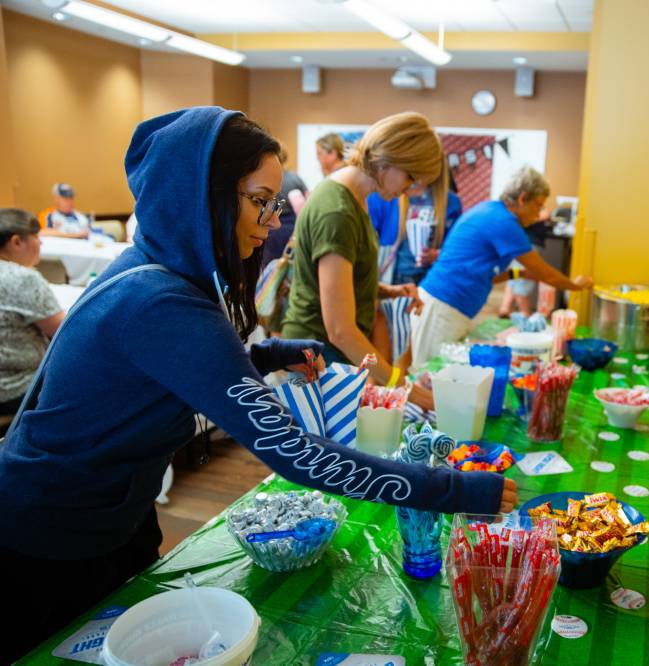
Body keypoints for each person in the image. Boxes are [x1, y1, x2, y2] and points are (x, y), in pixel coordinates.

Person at [0, 107, 516, 663]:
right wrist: (453, 490)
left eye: (275, 203)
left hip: (112, 514)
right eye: (259, 201)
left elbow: (169, 368)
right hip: (52, 535)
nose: (272, 221)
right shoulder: (160, 302)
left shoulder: (160, 269)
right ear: (201, 196)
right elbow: (296, 453)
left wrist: (266, 354)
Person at [282, 112, 448, 410]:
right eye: (411, 178)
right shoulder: (338, 211)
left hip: (330, 356)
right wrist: (402, 385)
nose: (409, 190)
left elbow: (339, 280)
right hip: (317, 358)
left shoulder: (353, 198)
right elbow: (340, 331)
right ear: (389, 159)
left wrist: (387, 290)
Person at [410, 166, 594, 368]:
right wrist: (576, 285)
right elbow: (545, 273)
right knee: (427, 370)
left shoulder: (491, 210)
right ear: (523, 198)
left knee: (437, 369)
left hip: (448, 305)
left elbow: (484, 275)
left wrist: (517, 273)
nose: (538, 213)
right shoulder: (503, 221)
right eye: (538, 205)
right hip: (442, 307)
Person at [0, 208, 65, 415]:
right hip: (17, 386)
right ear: (17, 242)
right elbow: (63, 330)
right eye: (36, 236)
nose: (41, 242)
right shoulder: (22, 278)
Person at [368, 173, 462, 285]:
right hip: (396, 274)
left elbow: (457, 248)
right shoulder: (392, 195)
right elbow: (370, 236)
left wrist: (438, 254)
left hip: (433, 278)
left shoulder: (451, 202)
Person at [262, 140, 310, 266]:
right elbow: (308, 201)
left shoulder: (268, 179)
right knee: (290, 262)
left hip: (272, 227)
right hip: (293, 227)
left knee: (271, 264)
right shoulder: (295, 178)